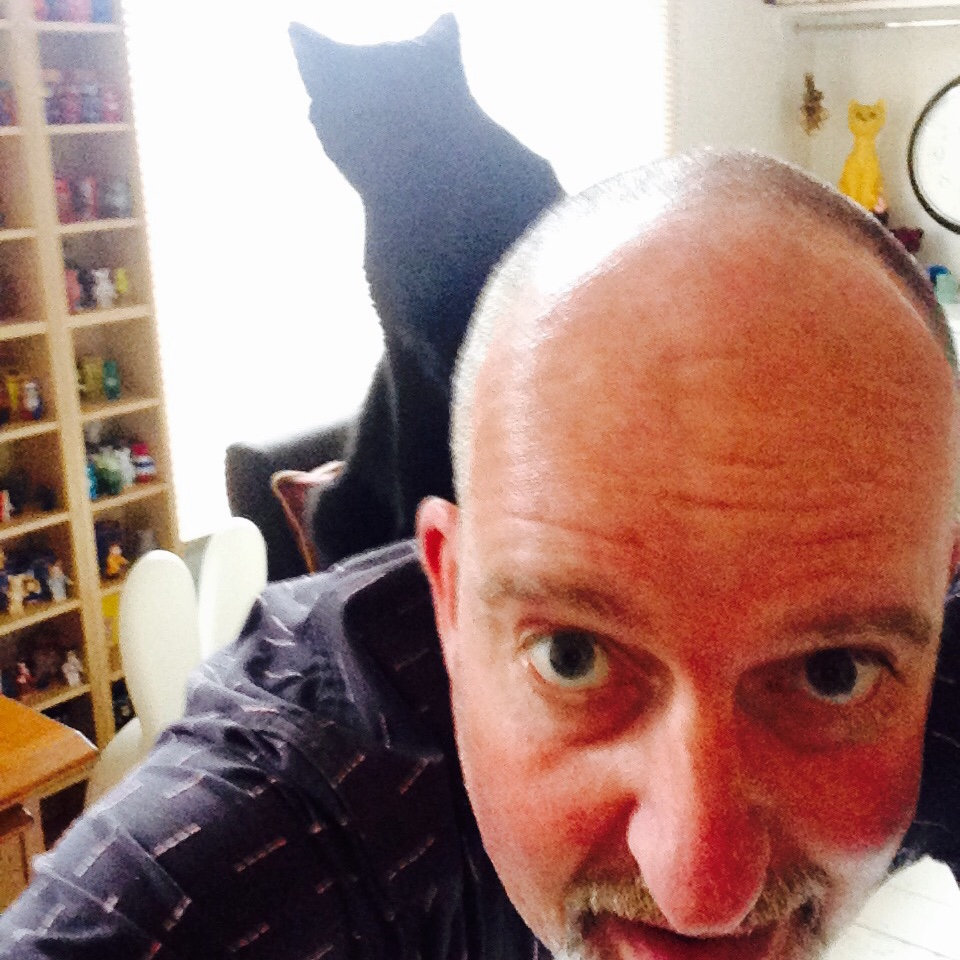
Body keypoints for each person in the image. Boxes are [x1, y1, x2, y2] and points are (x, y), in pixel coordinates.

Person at [2, 150, 959, 960]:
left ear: (941, 588)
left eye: (831, 673)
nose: (700, 889)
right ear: (449, 598)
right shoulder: (288, 821)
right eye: (573, 656)